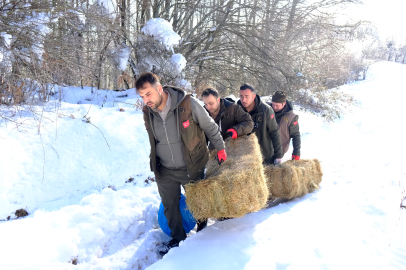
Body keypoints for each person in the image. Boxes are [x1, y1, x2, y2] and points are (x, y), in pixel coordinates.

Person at [136, 73, 227, 256]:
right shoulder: (148, 112)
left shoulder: (187, 104)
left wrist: (220, 147)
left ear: (159, 88)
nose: (146, 100)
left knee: (198, 201)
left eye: (148, 94)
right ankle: (178, 239)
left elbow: (209, 126)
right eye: (142, 96)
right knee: (170, 204)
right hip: (164, 168)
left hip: (191, 165)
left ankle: (202, 230)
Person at [237, 84, 283, 164]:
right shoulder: (237, 109)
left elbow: (274, 132)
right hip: (244, 157)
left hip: (264, 156)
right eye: (241, 96)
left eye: (247, 96)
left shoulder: (266, 110)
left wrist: (278, 155)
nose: (243, 100)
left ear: (254, 96)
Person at [269, 91, 301, 160]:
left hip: (279, 150)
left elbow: (295, 135)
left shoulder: (292, 117)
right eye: (273, 104)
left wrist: (296, 152)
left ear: (284, 103)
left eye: (277, 105)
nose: (274, 107)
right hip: (265, 148)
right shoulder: (267, 110)